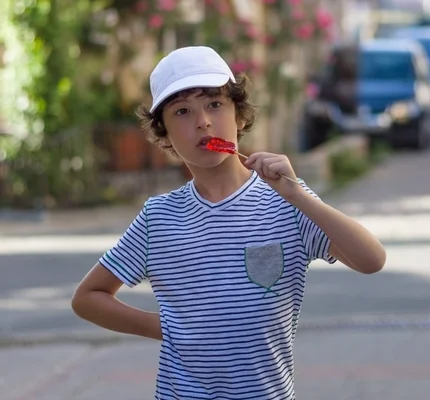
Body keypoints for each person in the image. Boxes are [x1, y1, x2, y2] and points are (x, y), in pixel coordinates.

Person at [71, 45, 386, 400]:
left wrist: (297, 195)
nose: (202, 121)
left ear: (239, 116)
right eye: (183, 112)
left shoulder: (286, 202)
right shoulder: (157, 218)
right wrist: (166, 328)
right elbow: (88, 298)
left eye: (215, 105)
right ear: (165, 135)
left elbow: (371, 260)